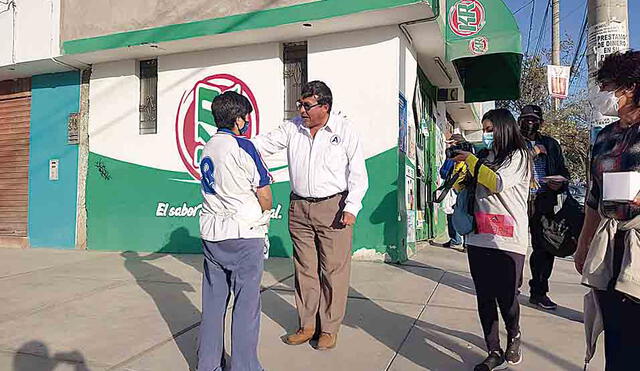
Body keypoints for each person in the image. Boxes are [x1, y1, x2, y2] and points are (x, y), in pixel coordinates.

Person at [253, 81, 368, 350]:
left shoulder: (344, 129)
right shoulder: (293, 128)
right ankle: (307, 325)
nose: (301, 111)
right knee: (305, 270)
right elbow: (264, 144)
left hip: (334, 208)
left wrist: (351, 207)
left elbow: (358, 173)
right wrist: (235, 142)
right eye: (299, 105)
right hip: (299, 208)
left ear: (324, 107)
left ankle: (329, 328)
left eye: (306, 105)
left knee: (333, 271)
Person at [197, 91, 273, 371]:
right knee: (246, 305)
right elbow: (265, 193)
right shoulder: (244, 147)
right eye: (246, 118)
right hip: (244, 234)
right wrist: (264, 215)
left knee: (214, 305)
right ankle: (245, 366)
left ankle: (208, 364)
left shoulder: (207, 148)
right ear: (238, 119)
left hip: (212, 235)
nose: (247, 123)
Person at [575, 50, 640, 371]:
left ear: (633, 87)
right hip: (610, 252)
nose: (603, 94)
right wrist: (583, 244)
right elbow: (594, 198)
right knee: (617, 341)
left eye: (609, 86)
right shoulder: (605, 136)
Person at [452, 109, 532, 371]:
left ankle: (515, 333)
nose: (486, 135)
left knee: (507, 298)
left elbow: (497, 182)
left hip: (508, 240)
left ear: (503, 128)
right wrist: (459, 166)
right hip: (479, 237)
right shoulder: (484, 156)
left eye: (490, 129)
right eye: (483, 130)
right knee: (484, 297)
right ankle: (493, 350)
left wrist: (473, 161)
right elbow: (461, 187)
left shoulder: (519, 156)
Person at [518, 104, 570, 310]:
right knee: (514, 246)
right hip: (518, 201)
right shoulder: (512, 142)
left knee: (543, 248)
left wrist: (560, 181)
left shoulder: (551, 144)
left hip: (544, 200)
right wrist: (533, 152)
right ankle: (510, 287)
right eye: (526, 119)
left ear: (541, 123)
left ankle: (539, 292)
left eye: (534, 119)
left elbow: (564, 171)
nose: (530, 123)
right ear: (519, 121)